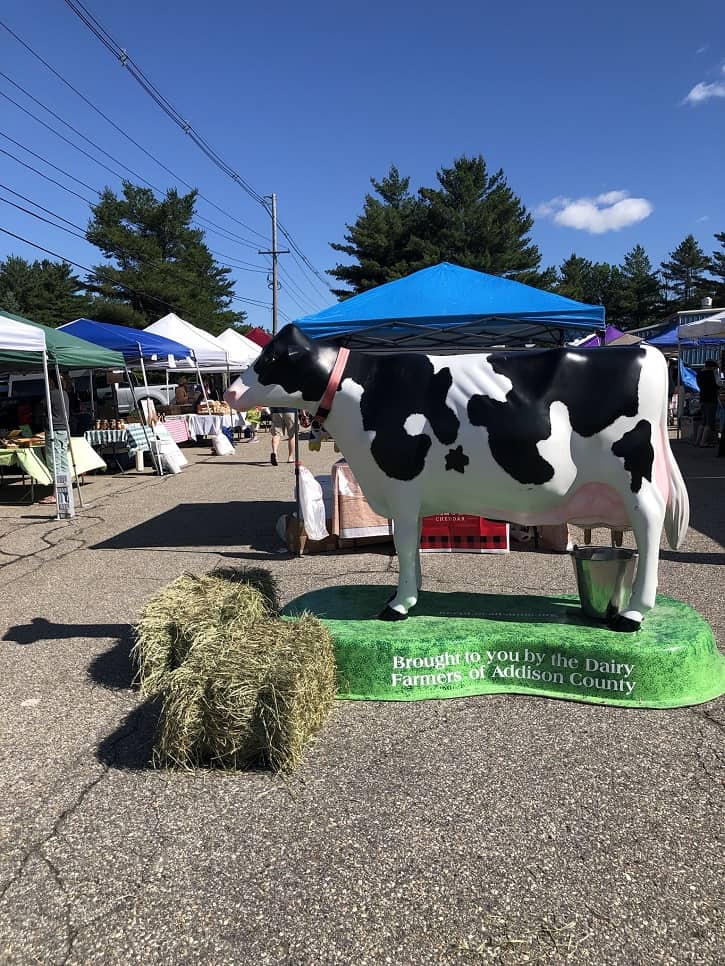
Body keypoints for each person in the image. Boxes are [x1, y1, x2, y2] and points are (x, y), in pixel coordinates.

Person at [40, 374, 70, 505]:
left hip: (54, 431)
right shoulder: (65, 393)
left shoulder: (51, 394)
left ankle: (56, 494)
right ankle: (65, 490)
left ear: (51, 381)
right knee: (63, 461)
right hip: (64, 430)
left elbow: (42, 407)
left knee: (54, 462)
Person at [695, 360, 722, 447]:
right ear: (712, 367)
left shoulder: (699, 374)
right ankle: (703, 442)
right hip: (711, 399)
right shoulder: (712, 374)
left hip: (702, 397)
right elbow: (718, 385)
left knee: (703, 421)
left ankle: (697, 441)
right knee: (709, 422)